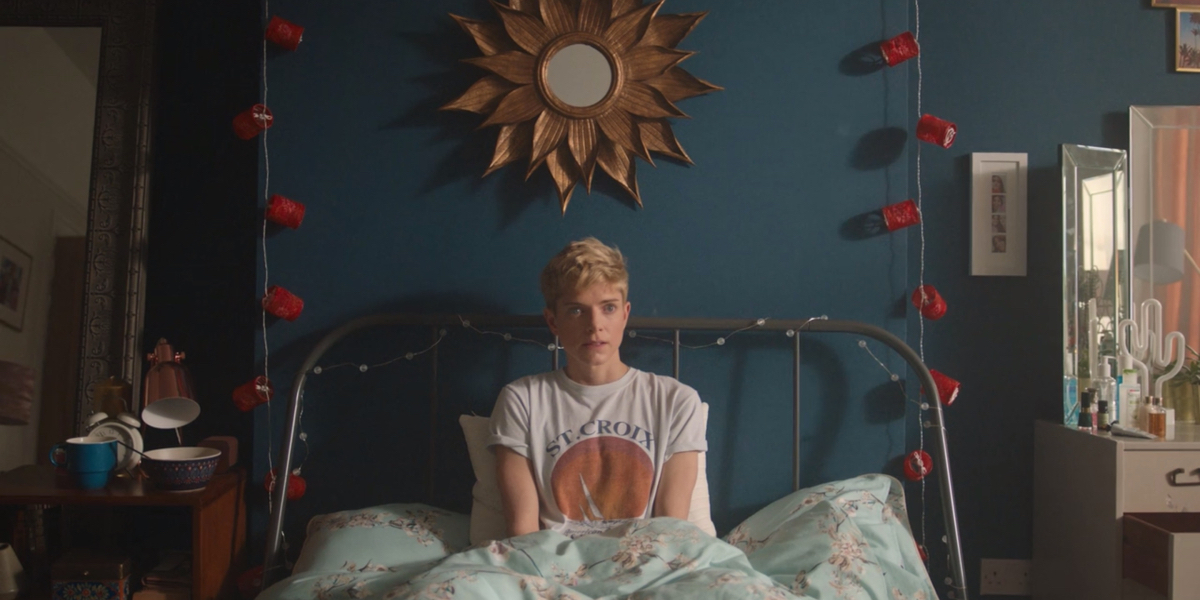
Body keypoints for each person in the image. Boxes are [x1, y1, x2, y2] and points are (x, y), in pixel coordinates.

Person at [487, 238, 706, 539]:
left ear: (625, 314)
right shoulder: (522, 401)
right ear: (552, 321)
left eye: (608, 308)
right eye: (576, 311)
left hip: (646, 561)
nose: (595, 325)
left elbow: (670, 532)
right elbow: (522, 533)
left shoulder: (675, 401)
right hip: (552, 563)